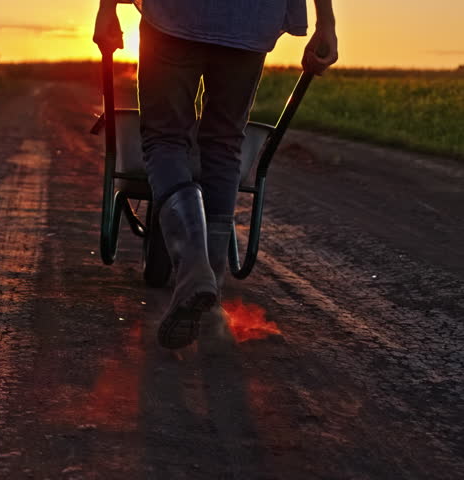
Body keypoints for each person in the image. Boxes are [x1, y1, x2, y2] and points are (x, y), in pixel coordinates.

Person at [93, 0, 338, 349]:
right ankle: (212, 291)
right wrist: (325, 22)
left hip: (176, 15)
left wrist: (107, 8)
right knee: (223, 143)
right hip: (251, 20)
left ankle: (194, 270)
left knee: (165, 137)